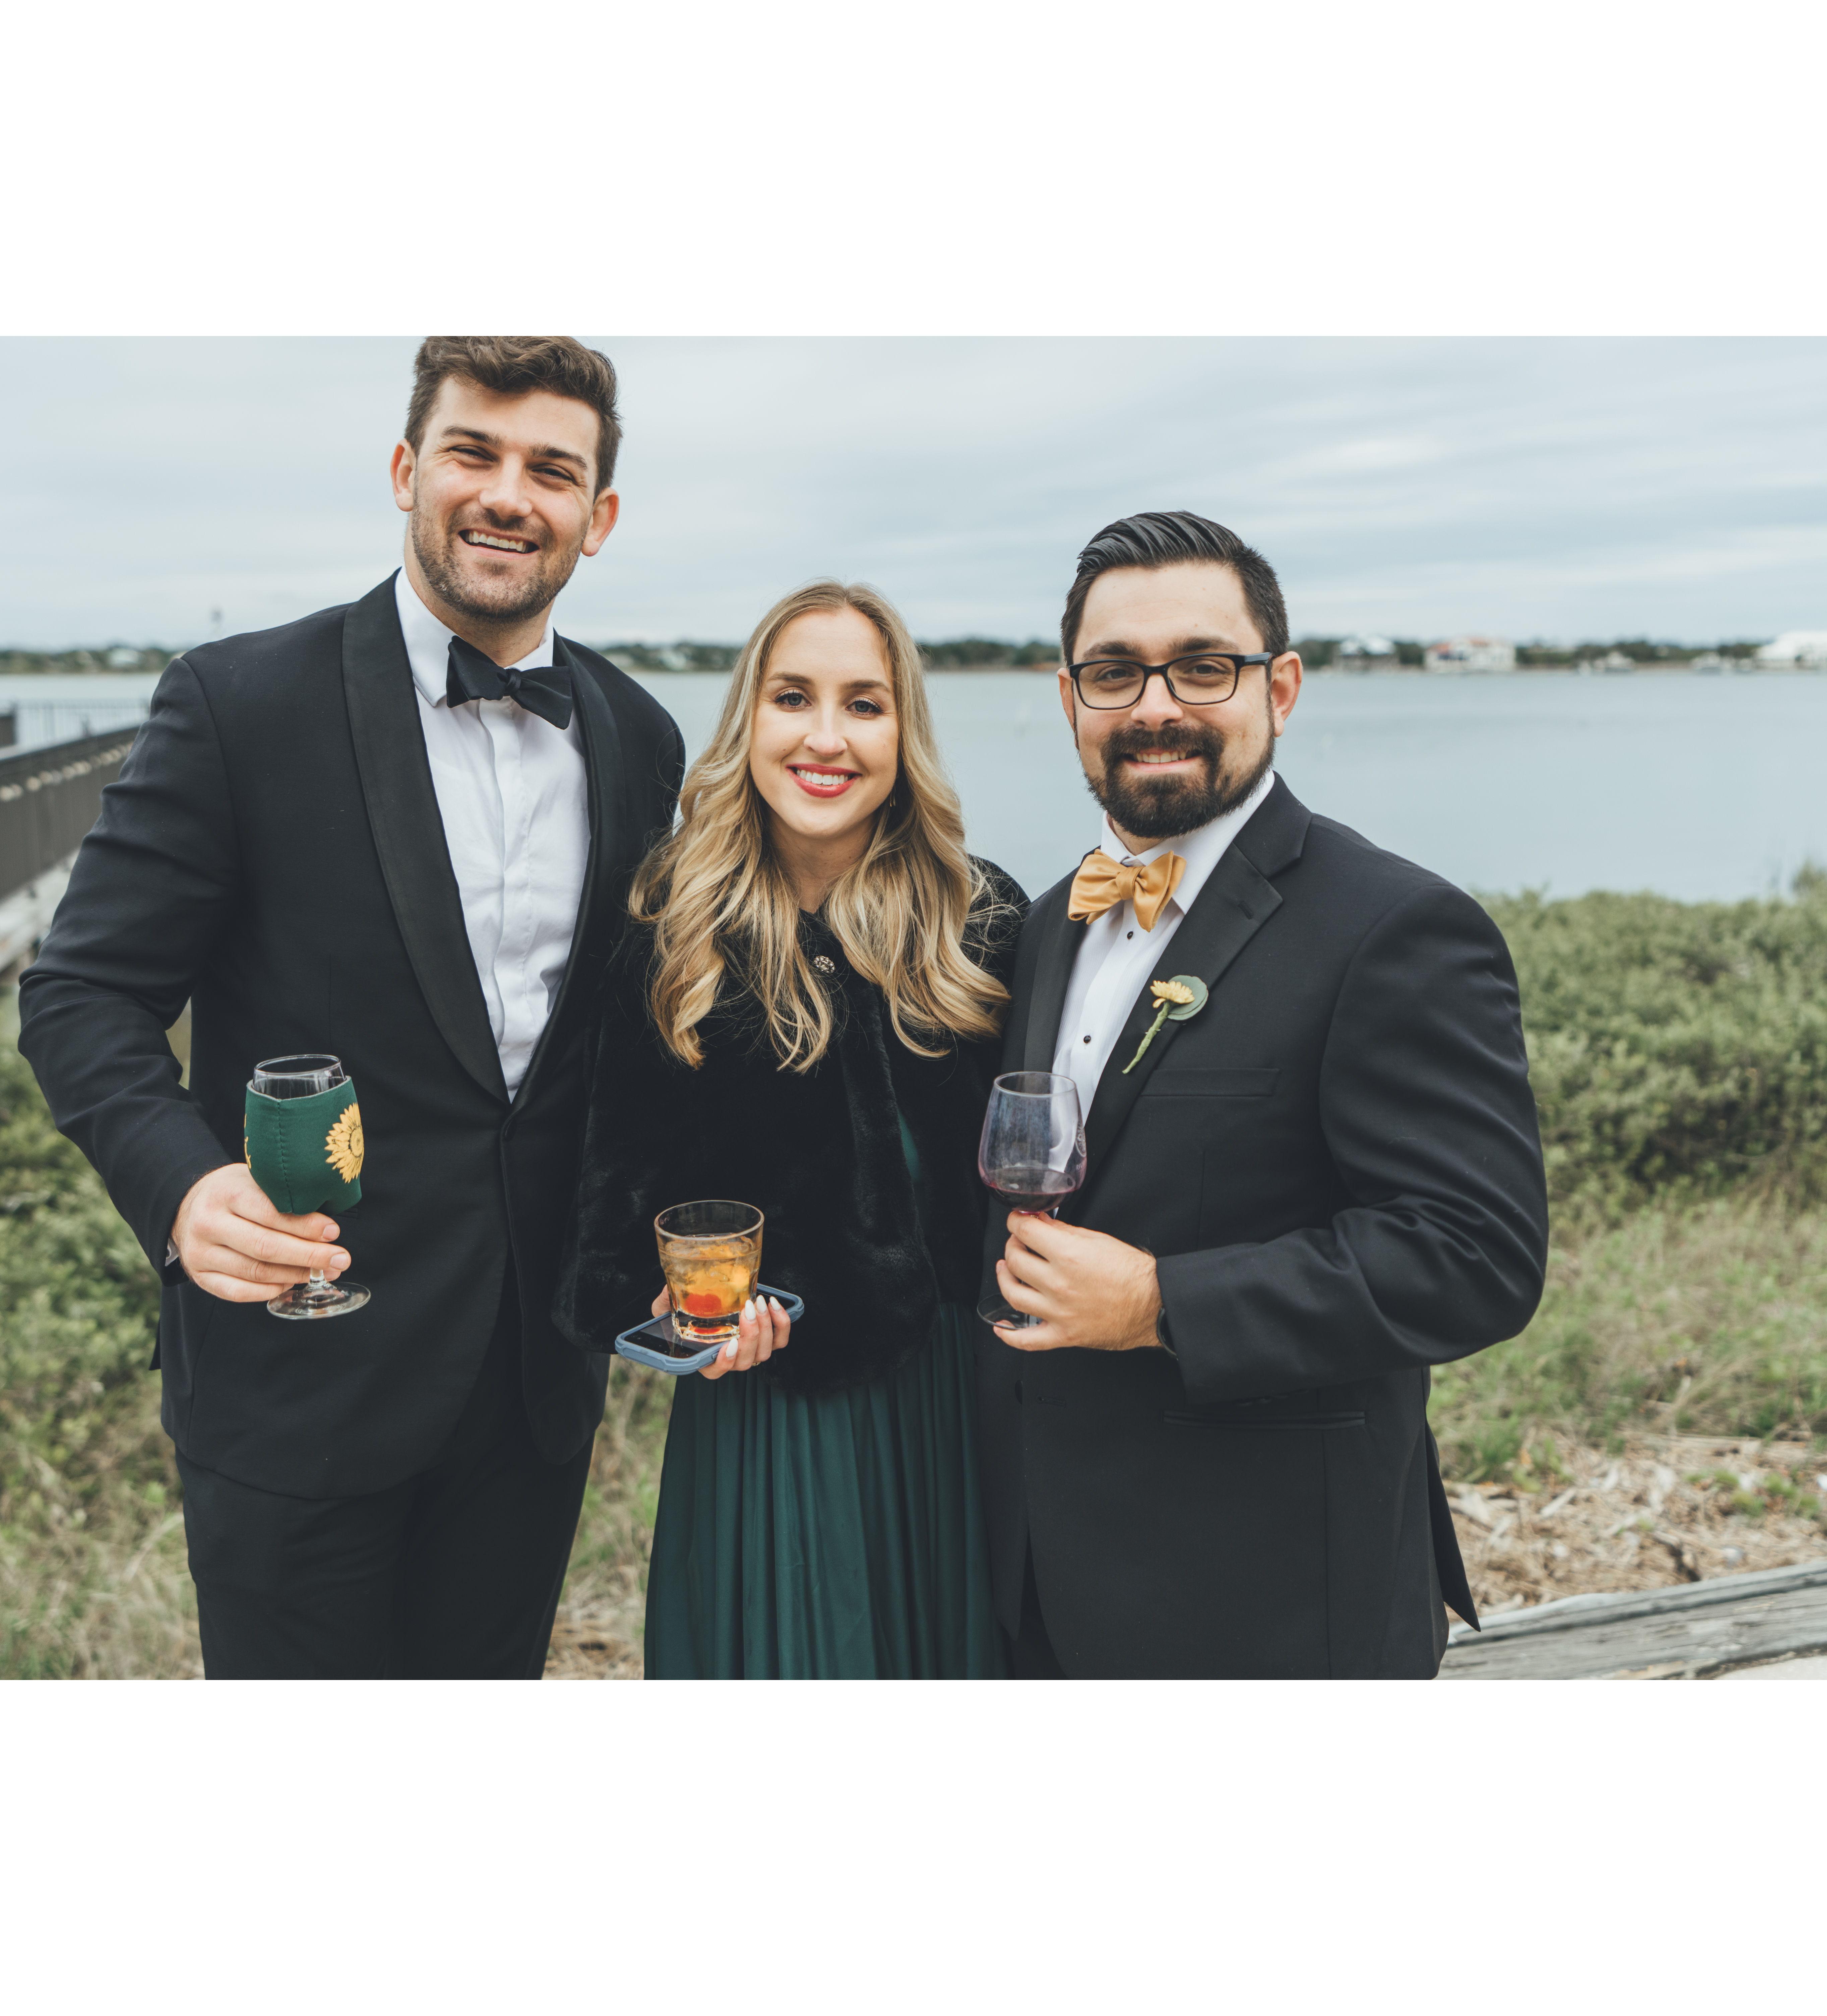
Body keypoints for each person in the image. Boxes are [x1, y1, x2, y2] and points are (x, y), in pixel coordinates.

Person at [18, 336, 684, 1678]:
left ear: (599, 516)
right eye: (472, 453)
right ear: (405, 471)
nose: (508, 495)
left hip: (532, 1394)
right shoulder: (238, 702)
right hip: (297, 1374)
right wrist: (184, 1190)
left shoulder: (640, 735)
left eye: (552, 470)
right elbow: (83, 991)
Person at [978, 510, 1550, 1679]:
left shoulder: (1397, 927)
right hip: (1037, 1584)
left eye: (1203, 666)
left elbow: (1475, 1255)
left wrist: (1162, 1302)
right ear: (1070, 699)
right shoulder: (1044, 925)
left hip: (1275, 1599)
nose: (1155, 707)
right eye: (1115, 673)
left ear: (1279, 688)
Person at [558, 581, 1025, 1678]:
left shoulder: (981, 921)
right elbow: (612, 1206)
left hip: (958, 1406)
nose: (826, 737)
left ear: (904, 733)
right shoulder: (672, 927)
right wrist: (666, 1314)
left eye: (864, 704)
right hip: (771, 1414)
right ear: (748, 720)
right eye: (792, 698)